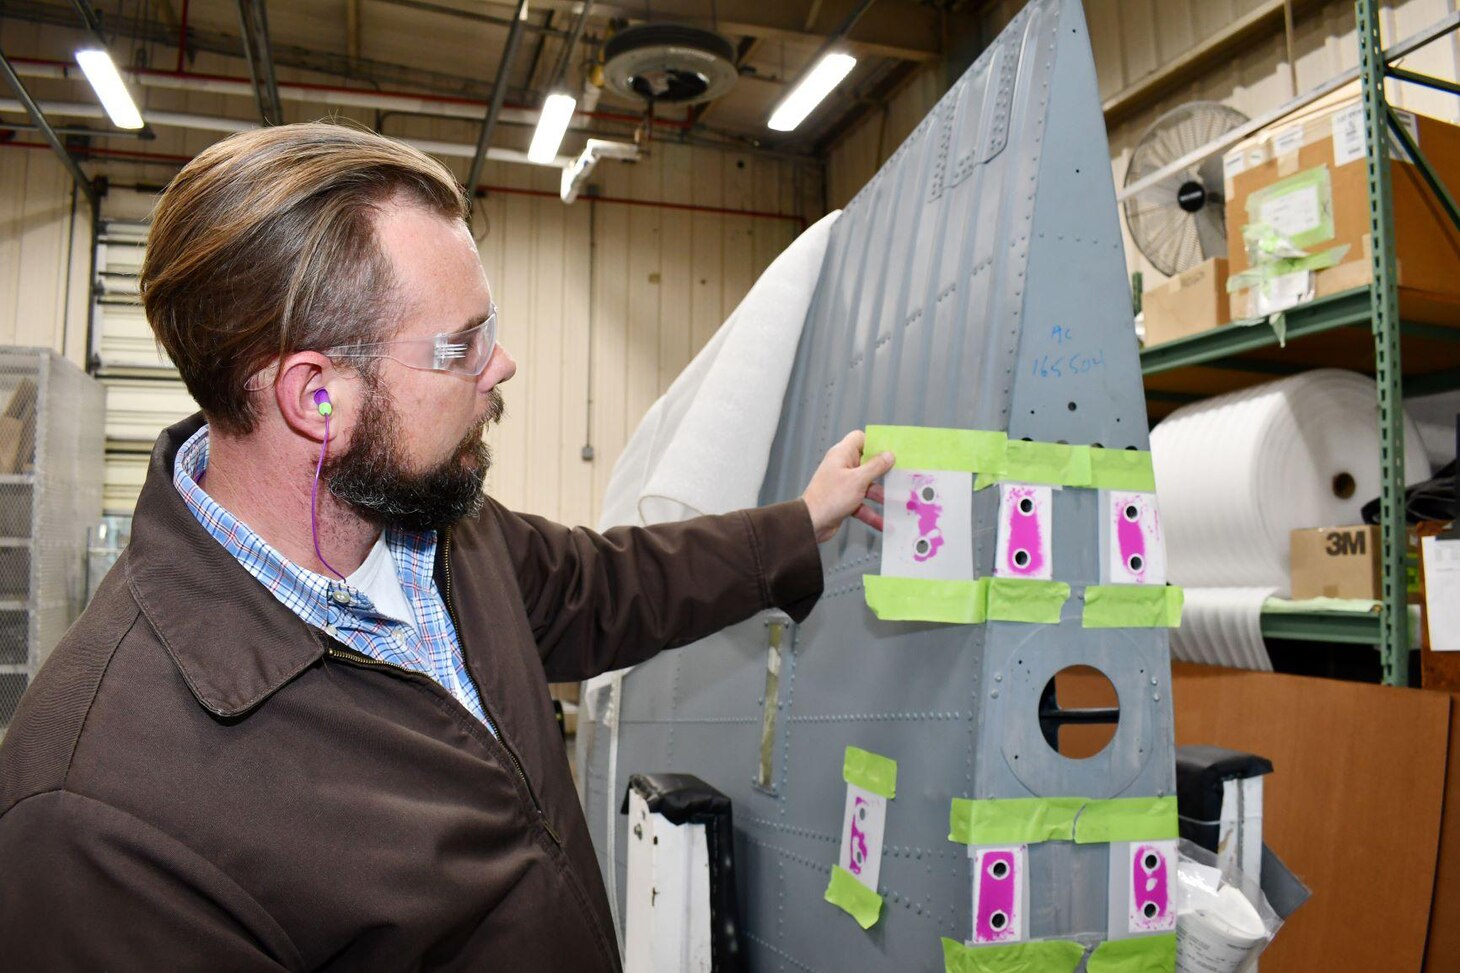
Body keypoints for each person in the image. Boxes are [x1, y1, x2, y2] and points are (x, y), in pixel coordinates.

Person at [0, 122, 892, 970]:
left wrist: (801, 521)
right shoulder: (96, 812)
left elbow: (609, 585)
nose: (499, 367)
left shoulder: (440, 534)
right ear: (315, 397)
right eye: (462, 345)